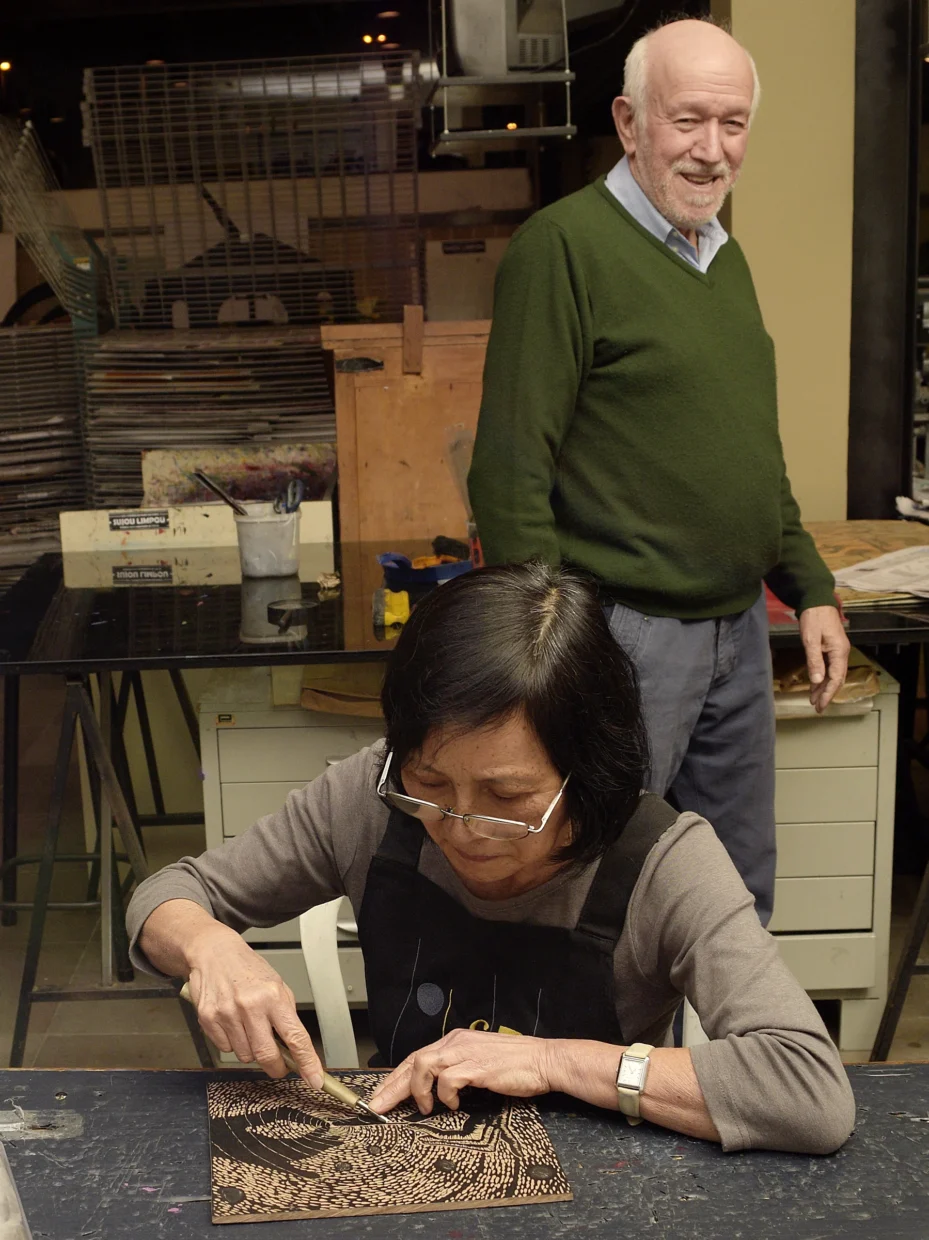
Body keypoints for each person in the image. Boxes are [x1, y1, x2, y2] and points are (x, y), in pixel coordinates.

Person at [127, 563, 854, 1155]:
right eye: (431, 782)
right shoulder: (370, 795)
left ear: (585, 769)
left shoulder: (662, 860)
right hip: (406, 1166)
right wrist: (208, 945)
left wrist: (552, 1061)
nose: (460, 826)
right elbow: (166, 893)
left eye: (505, 795)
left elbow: (807, 1090)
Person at [467, 17, 850, 927]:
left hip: (737, 635)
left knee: (731, 898)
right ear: (629, 121)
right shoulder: (561, 249)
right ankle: (577, 1072)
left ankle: (720, 1072)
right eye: (687, 121)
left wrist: (811, 587)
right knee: (596, 895)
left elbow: (752, 456)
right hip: (623, 640)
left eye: (733, 123)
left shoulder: (723, 255)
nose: (712, 151)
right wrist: (549, 659)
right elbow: (509, 472)